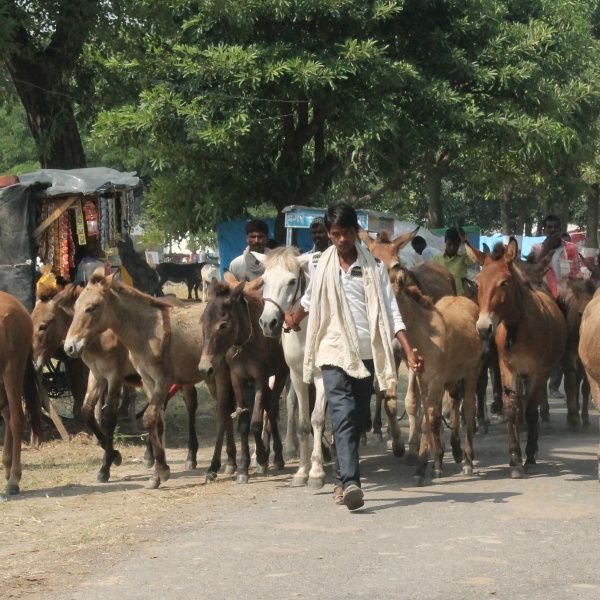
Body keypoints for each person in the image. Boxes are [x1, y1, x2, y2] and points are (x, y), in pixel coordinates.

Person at [284, 204, 423, 511]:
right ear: (330, 235)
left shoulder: (373, 268)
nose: (342, 240)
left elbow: (391, 311)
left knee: (356, 418)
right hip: (332, 351)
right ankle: (351, 484)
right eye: (336, 235)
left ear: (355, 233)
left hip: (366, 354)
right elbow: (308, 301)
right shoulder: (323, 267)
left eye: (347, 234)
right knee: (344, 413)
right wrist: (292, 319)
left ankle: (339, 477)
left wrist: (409, 350)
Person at [530, 214, 583, 298]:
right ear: (544, 231)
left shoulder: (572, 248)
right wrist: (547, 249)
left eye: (556, 227)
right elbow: (532, 271)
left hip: (568, 297)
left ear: (560, 230)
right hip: (545, 296)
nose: (553, 230)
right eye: (549, 227)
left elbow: (577, 273)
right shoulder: (536, 249)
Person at [433, 227, 475, 295]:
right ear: (445, 241)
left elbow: (475, 259)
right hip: (444, 296)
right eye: (449, 244)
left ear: (459, 244)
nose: (452, 247)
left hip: (461, 296)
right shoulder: (437, 258)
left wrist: (465, 242)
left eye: (456, 245)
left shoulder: (464, 257)